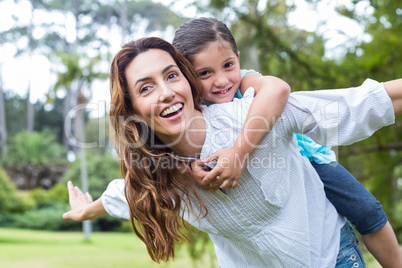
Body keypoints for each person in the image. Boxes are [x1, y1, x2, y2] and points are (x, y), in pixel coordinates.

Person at [63, 36, 402, 267]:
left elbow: (361, 103)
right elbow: (123, 194)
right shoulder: (160, 175)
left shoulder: (252, 117)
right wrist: (85, 211)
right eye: (147, 87)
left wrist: (240, 150)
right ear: (133, 108)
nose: (166, 92)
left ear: (189, 82)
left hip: (332, 257)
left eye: (172, 75)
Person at [171, 17, 402, 267]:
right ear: (186, 76)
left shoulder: (245, 81)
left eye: (228, 65)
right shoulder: (188, 108)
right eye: (205, 73)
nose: (222, 80)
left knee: (366, 208)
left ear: (237, 57)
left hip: (305, 157)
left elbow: (278, 89)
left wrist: (239, 152)